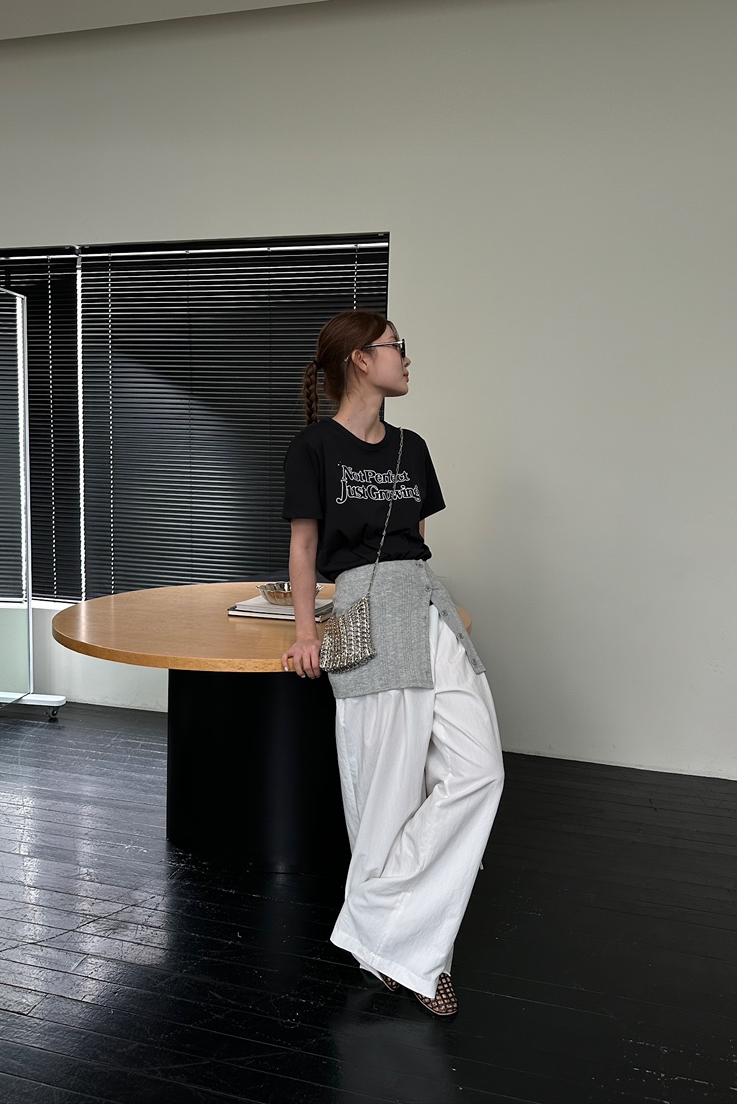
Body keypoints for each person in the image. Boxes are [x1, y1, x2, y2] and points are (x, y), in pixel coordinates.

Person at [281, 310, 504, 1018]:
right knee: (384, 792)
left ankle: (375, 925)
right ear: (359, 359)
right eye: (395, 348)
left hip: (427, 606)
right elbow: (304, 548)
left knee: (478, 771)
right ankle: (413, 957)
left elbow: (417, 540)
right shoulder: (313, 448)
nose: (405, 359)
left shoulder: (413, 447)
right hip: (364, 613)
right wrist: (306, 632)